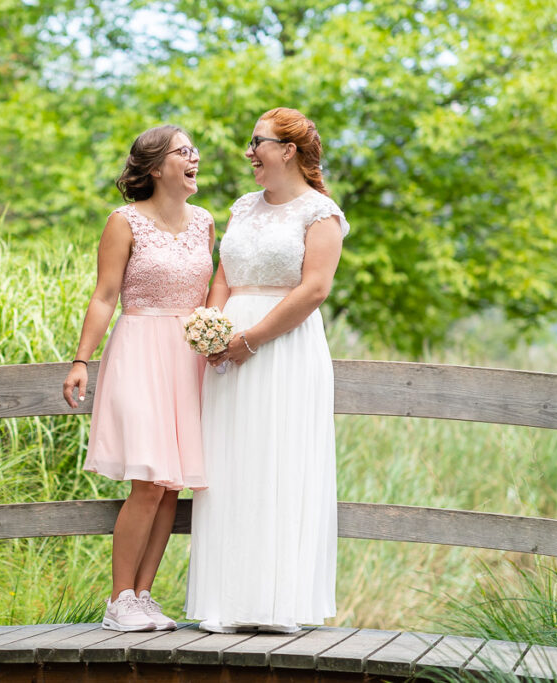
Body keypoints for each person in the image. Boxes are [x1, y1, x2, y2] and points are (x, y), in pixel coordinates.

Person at [185, 107, 349, 633]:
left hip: (283, 349)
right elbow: (223, 276)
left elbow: (314, 290)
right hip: (228, 349)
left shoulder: (321, 214)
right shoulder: (242, 208)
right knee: (229, 466)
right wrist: (212, 327)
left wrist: (248, 341)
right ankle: (225, 605)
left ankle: (280, 605)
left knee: (282, 462)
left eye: (258, 142)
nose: (249, 152)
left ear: (289, 151)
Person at [63, 125, 214, 632]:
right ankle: (118, 600)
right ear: (154, 167)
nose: (193, 158)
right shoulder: (123, 222)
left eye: (194, 150)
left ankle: (145, 596)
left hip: (188, 358)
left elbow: (214, 291)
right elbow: (105, 295)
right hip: (138, 349)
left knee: (172, 487)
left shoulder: (206, 223)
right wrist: (82, 359)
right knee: (148, 482)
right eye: (182, 151)